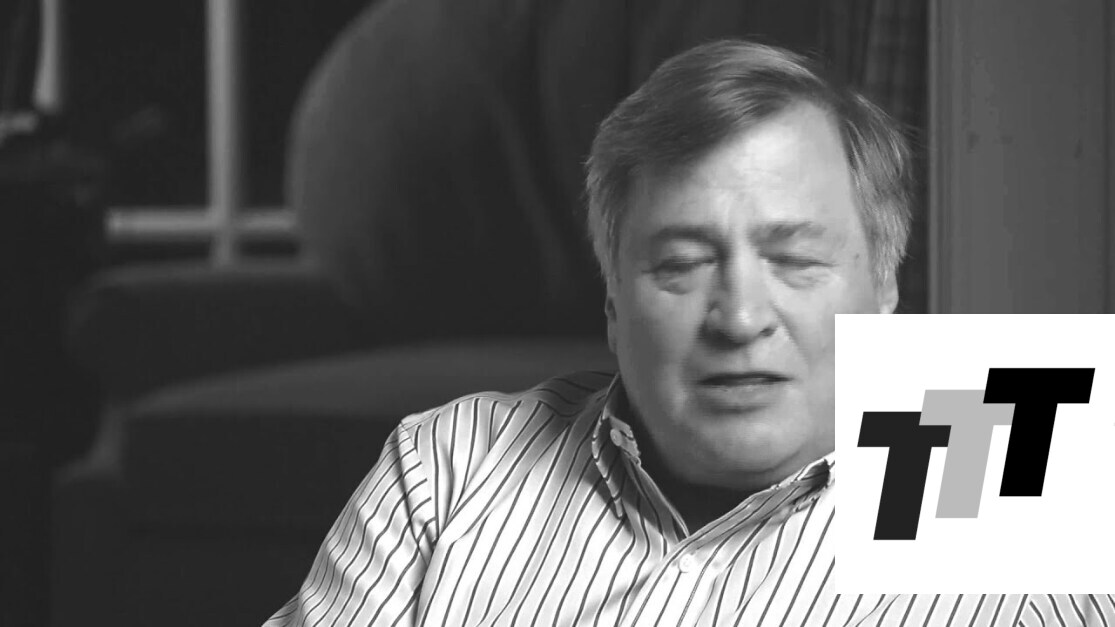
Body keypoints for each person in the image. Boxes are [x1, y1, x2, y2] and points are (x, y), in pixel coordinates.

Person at [265, 40, 1113, 626]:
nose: (739, 318)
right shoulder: (452, 464)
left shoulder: (1003, 447)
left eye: (794, 260)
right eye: (680, 264)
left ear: (884, 285)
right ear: (611, 300)